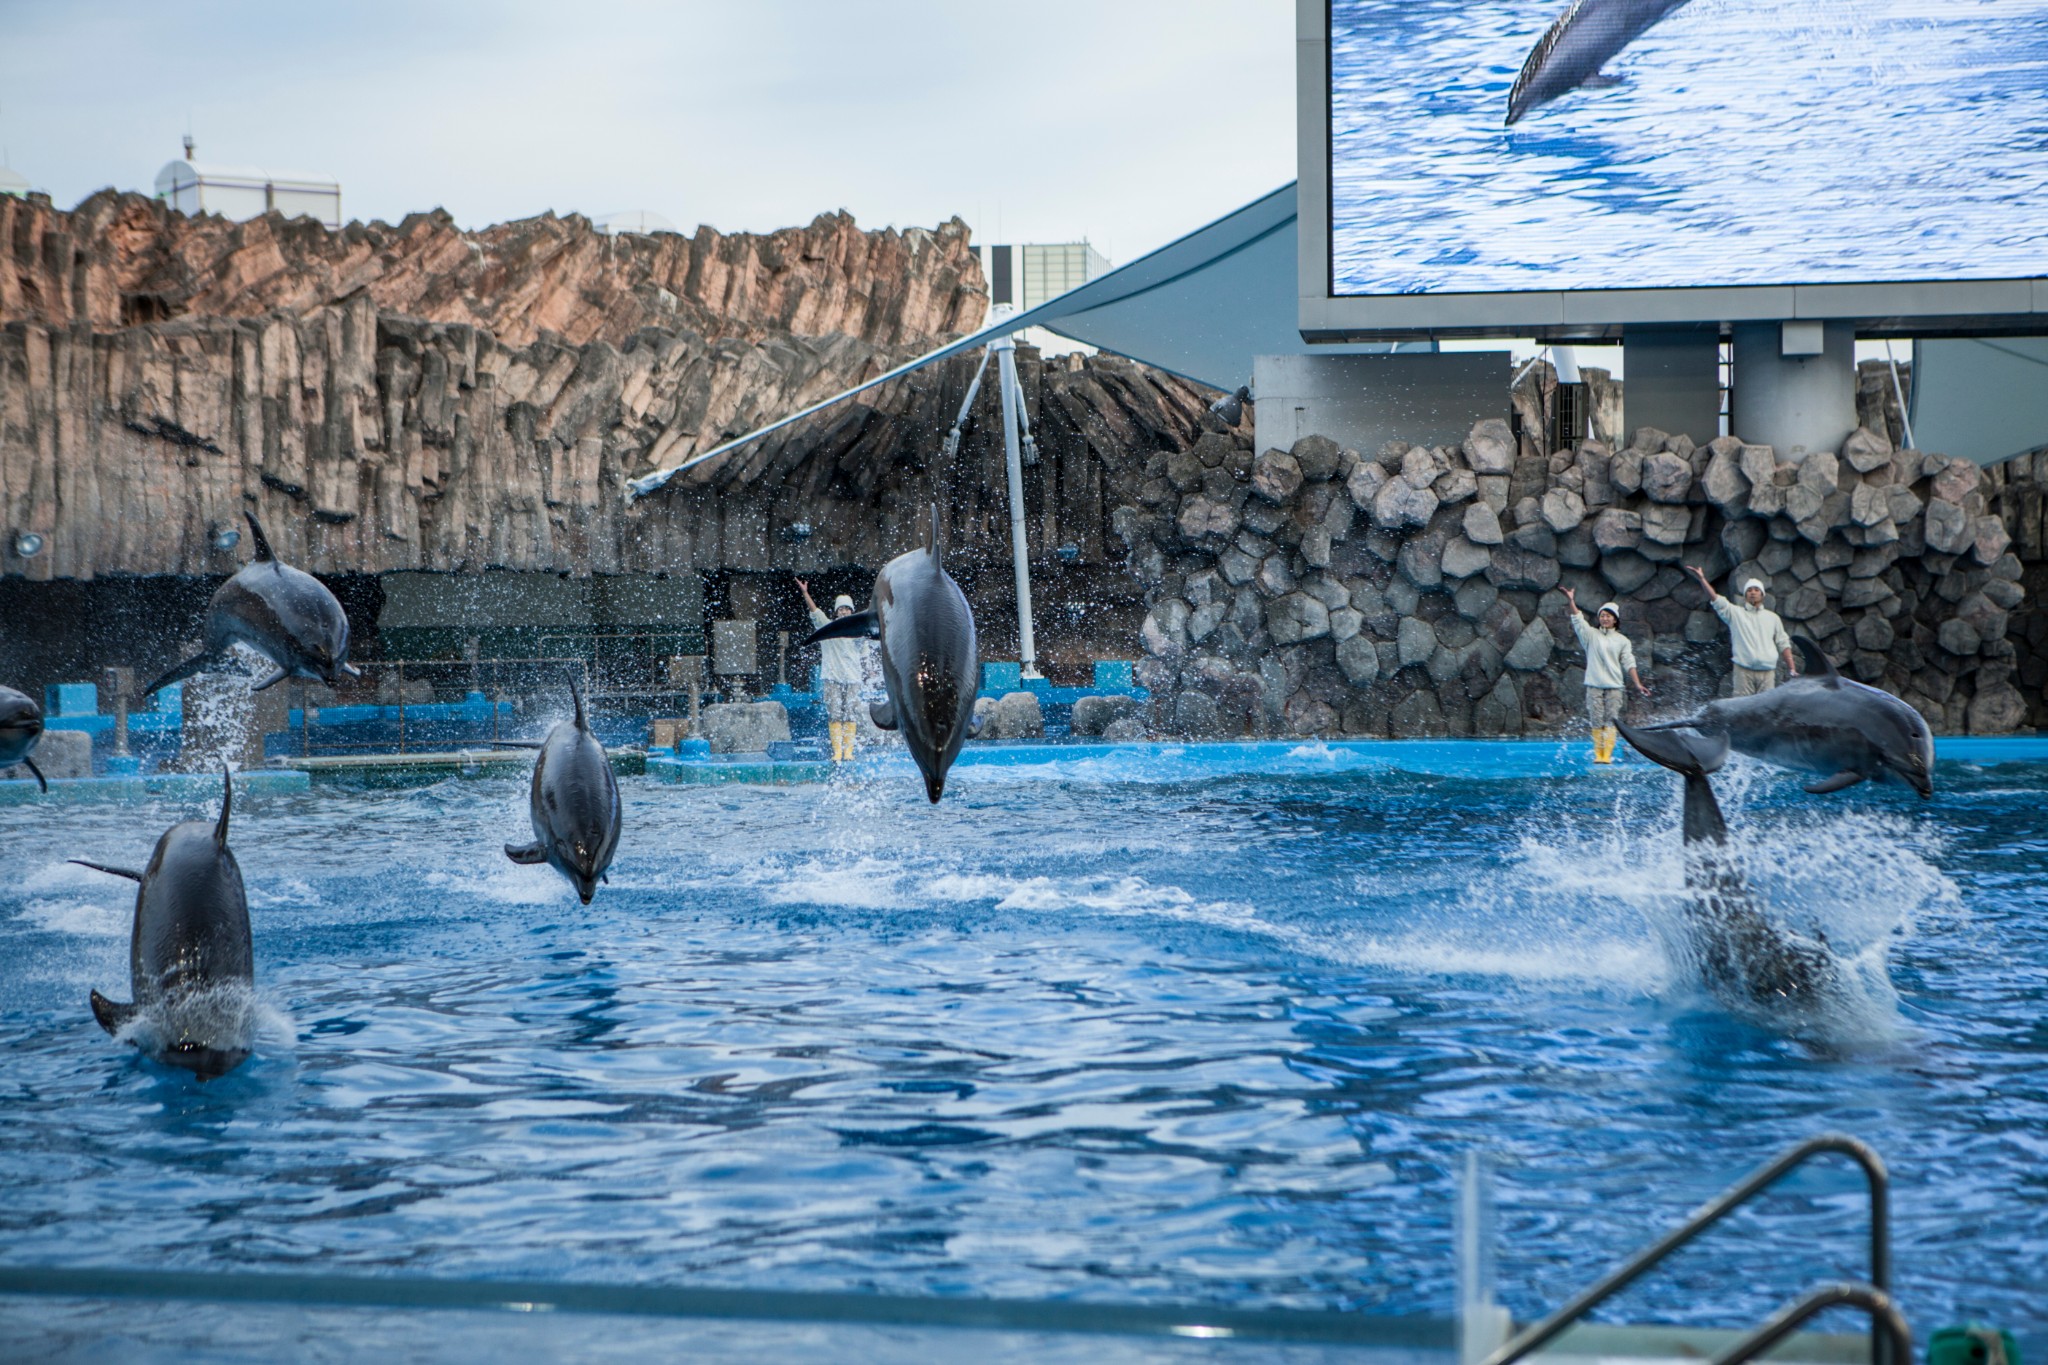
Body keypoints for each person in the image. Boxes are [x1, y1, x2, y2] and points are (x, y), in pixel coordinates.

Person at [1564, 586, 1650, 765]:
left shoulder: (1622, 641)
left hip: (1614, 686)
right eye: (1602, 615)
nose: (1605, 618)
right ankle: (1598, 753)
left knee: (1611, 719)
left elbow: (1629, 662)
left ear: (1615, 620)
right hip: (1594, 684)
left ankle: (1607, 755)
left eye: (1608, 616)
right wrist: (1571, 600)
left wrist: (1637, 683)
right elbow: (1577, 620)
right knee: (1596, 718)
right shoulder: (1590, 636)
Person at [1688, 567, 1796, 696]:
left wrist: (1792, 668)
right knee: (1741, 711)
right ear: (1745, 595)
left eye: (1756, 590)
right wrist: (1702, 579)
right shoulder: (1736, 613)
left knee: (1766, 712)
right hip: (1744, 671)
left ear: (1762, 594)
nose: (1753, 593)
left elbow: (1783, 643)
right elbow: (1716, 600)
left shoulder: (1773, 618)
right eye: (1749, 590)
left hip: (1767, 672)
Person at [798, 579, 867, 762]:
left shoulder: (858, 632)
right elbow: (815, 612)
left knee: (850, 714)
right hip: (832, 677)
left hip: (853, 679)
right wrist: (805, 593)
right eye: (841, 609)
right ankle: (837, 751)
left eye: (847, 609)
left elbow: (865, 653)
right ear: (836, 612)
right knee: (835, 713)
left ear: (852, 612)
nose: (844, 611)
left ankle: (848, 751)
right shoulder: (828, 628)